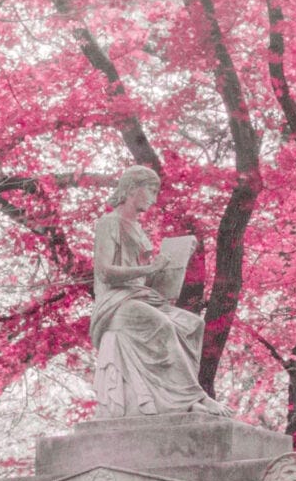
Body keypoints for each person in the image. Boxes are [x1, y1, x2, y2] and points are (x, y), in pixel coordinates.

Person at [90, 165, 226, 417]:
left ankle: (179, 397)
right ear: (132, 188)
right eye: (150, 190)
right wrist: (149, 269)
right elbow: (105, 272)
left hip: (139, 298)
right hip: (115, 304)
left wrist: (175, 261)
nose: (154, 197)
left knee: (192, 323)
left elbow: (145, 277)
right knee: (161, 325)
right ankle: (189, 400)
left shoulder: (139, 230)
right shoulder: (109, 223)